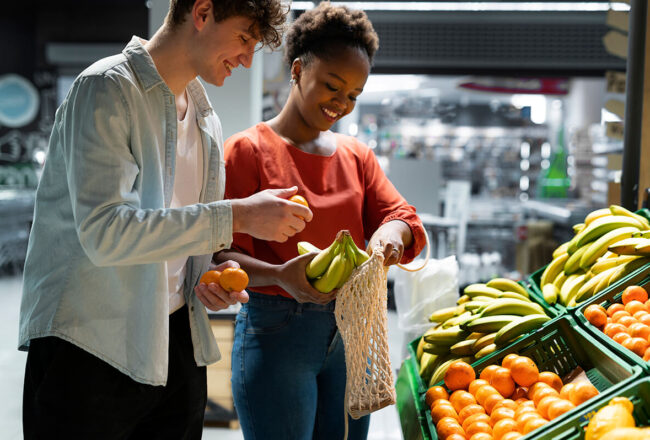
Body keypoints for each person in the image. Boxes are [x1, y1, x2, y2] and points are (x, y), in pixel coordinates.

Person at [18, 1, 313, 438]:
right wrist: (237, 216)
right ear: (203, 12)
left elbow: (175, 235)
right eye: (244, 38)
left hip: (176, 345)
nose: (248, 59)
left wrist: (209, 274)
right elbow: (107, 233)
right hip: (90, 347)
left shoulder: (205, 117)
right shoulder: (107, 88)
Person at [217, 3, 427, 439]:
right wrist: (279, 275)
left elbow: (403, 217)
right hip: (276, 332)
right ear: (297, 70)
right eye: (332, 86)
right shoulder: (247, 151)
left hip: (353, 336)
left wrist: (392, 231)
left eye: (353, 95)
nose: (342, 104)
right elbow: (219, 253)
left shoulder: (357, 156)